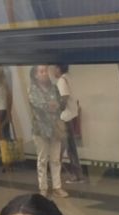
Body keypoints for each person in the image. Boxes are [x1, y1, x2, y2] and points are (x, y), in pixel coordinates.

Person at [28, 65, 67, 198]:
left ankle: (57, 187)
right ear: (35, 75)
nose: (45, 74)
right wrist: (50, 105)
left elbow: (60, 103)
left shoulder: (54, 88)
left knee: (56, 159)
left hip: (55, 128)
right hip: (40, 130)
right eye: (41, 71)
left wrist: (53, 104)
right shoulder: (32, 90)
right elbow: (39, 105)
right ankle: (43, 188)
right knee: (42, 159)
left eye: (45, 71)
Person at [52, 65, 84, 183]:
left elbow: (64, 97)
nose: (53, 71)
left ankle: (74, 175)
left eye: (54, 68)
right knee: (71, 147)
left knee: (67, 147)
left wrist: (57, 110)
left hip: (65, 117)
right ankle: (77, 174)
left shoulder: (62, 80)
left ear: (59, 69)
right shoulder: (70, 77)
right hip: (72, 115)